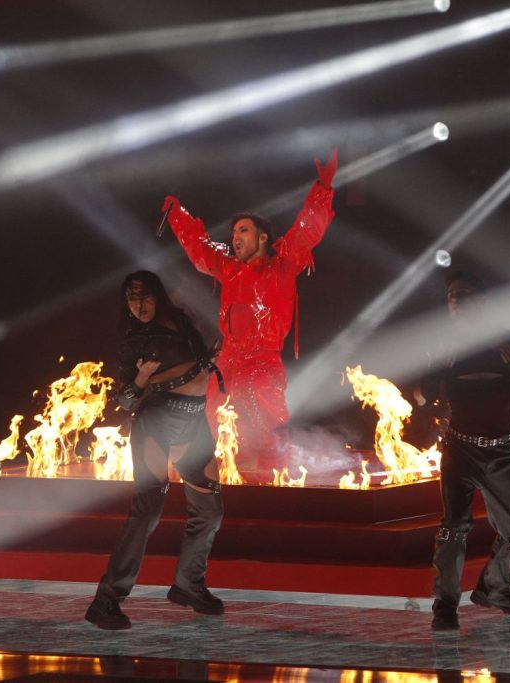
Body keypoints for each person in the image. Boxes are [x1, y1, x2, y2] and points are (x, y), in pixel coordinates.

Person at [162, 149, 337, 478]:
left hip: (261, 361)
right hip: (228, 360)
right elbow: (199, 248)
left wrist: (323, 187)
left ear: (263, 237)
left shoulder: (282, 264)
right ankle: (224, 487)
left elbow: (306, 230)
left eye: (243, 230)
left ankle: (275, 484)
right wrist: (176, 212)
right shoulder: (228, 268)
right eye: (233, 232)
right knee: (218, 430)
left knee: (267, 431)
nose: (235, 237)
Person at [85, 271, 223, 630]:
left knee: (209, 510)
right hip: (157, 424)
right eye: (131, 299)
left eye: (144, 297)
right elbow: (126, 400)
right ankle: (106, 601)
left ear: (158, 296)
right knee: (147, 512)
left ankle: (189, 585)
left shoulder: (183, 324)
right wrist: (142, 379)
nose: (138, 305)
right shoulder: (134, 341)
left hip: (194, 424)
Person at [416, 271, 510, 630]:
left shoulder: (503, 339)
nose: (456, 299)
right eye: (452, 294)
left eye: (464, 292)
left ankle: (496, 589)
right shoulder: (442, 343)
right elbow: (424, 398)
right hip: (459, 450)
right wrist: (438, 370)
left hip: (499, 451)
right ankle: (445, 606)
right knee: (454, 528)